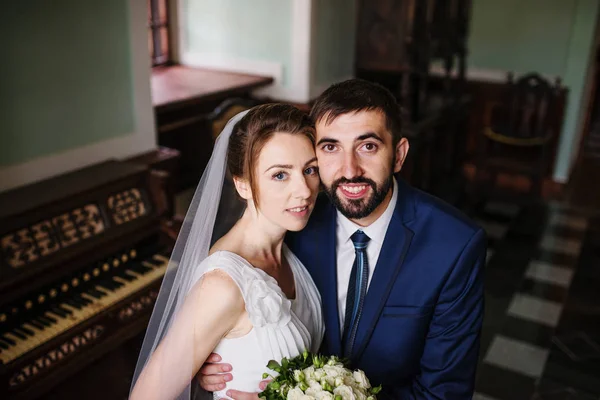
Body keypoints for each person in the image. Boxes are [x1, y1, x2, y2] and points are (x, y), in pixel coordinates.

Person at [198, 79, 486, 399]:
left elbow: (444, 394)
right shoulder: (296, 222)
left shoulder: (454, 246)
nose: (349, 170)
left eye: (368, 146)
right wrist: (221, 353)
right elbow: (240, 283)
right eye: (331, 147)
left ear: (399, 154)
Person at [130, 104, 325, 400]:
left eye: (309, 170)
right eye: (280, 175)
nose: (305, 190)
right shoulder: (222, 286)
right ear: (243, 184)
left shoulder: (289, 250)